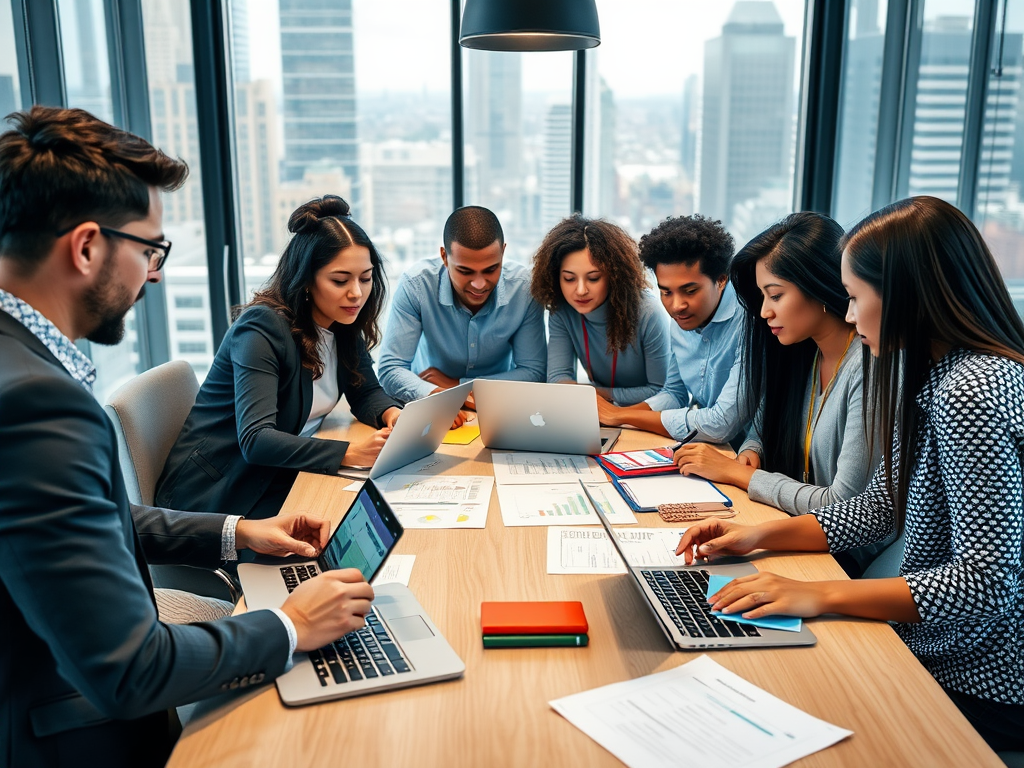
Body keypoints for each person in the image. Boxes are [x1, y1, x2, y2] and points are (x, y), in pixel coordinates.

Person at [0, 106, 375, 768]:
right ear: (87, 247)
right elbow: (131, 673)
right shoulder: (36, 402)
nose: (157, 273)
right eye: (150, 249)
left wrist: (235, 532)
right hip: (68, 735)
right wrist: (291, 625)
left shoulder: (23, 367)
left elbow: (90, 519)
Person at [675, 196, 1024, 752]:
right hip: (938, 644)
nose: (851, 313)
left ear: (908, 295)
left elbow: (986, 583)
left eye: (858, 298)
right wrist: (757, 536)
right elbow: (877, 507)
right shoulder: (932, 371)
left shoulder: (972, 393)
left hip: (980, 678)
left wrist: (820, 595)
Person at [156, 196, 402, 520]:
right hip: (219, 497)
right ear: (306, 280)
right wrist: (351, 454)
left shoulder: (342, 322)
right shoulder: (261, 328)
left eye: (366, 278)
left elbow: (365, 390)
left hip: (283, 475)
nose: (356, 292)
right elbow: (257, 440)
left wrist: (392, 415)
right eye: (340, 281)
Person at [673, 213, 884, 571]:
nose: (764, 311)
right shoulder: (802, 351)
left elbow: (842, 506)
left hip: (844, 560)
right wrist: (754, 448)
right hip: (796, 535)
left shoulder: (869, 367)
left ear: (818, 285)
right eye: (761, 297)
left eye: (775, 295)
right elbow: (764, 423)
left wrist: (738, 473)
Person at [594, 214, 748, 444]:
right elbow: (674, 394)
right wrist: (610, 417)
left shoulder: (749, 321)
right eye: (666, 292)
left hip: (753, 453)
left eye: (690, 291)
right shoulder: (682, 319)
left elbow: (720, 424)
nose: (676, 306)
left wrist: (619, 415)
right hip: (709, 447)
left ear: (721, 280)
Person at [377, 205, 546, 407]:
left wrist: (459, 387)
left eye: (491, 269)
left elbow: (534, 372)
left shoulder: (524, 289)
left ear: (503, 252)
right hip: (431, 403)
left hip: (499, 406)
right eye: (465, 271)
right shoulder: (416, 286)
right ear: (444, 257)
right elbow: (390, 369)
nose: (479, 284)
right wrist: (435, 394)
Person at [530, 215, 670, 405]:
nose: (580, 290)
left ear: (614, 276)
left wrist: (591, 393)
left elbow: (662, 392)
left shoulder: (648, 313)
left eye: (593, 278)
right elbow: (558, 381)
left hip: (643, 418)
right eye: (569, 279)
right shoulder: (562, 311)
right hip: (599, 415)